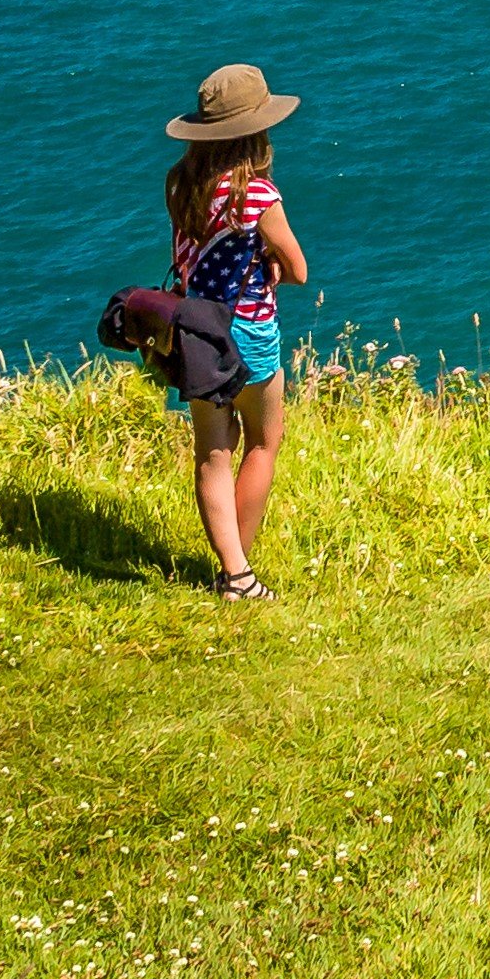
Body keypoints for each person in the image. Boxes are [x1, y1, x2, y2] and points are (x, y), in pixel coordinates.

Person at [160, 62, 310, 600]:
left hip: (197, 333)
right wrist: (269, 260)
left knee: (211, 452)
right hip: (248, 331)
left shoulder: (181, 185)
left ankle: (233, 571)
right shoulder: (257, 196)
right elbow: (298, 269)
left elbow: (195, 261)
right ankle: (237, 574)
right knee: (265, 442)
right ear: (256, 130)